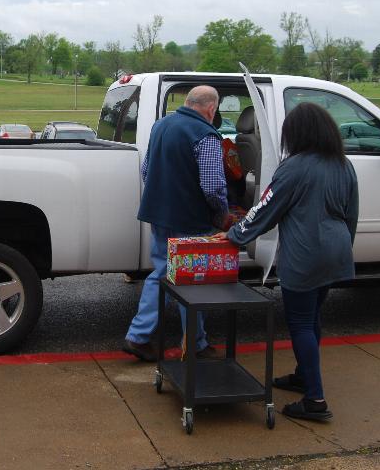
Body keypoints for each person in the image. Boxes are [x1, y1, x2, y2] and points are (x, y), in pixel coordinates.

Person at [222, 102, 359, 422]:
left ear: (296, 134)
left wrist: (234, 235)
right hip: (336, 251)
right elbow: (352, 213)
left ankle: (315, 400)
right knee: (312, 318)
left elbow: (265, 210)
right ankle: (303, 375)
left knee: (300, 323)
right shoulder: (343, 164)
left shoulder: (293, 167)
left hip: (305, 254)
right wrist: (343, 249)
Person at [123, 85, 229, 362]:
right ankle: (195, 344)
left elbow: (146, 170)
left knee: (162, 273)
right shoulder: (206, 135)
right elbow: (213, 187)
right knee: (192, 279)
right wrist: (223, 215)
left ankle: (138, 336)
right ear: (211, 109)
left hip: (159, 215)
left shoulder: (161, 126)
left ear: (188, 102)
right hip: (190, 220)